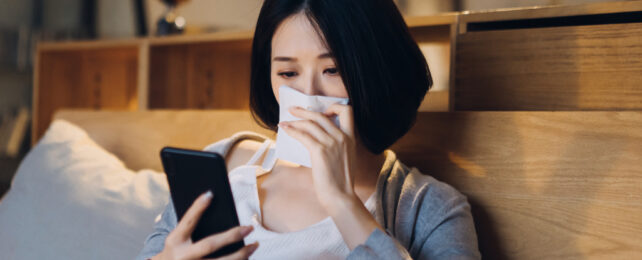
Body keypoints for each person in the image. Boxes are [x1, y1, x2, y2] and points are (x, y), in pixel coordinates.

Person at [137, 0, 480, 259]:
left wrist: (341, 201)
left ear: (377, 72)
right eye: (288, 74)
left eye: (332, 70)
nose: (309, 94)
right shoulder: (221, 166)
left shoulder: (432, 209)